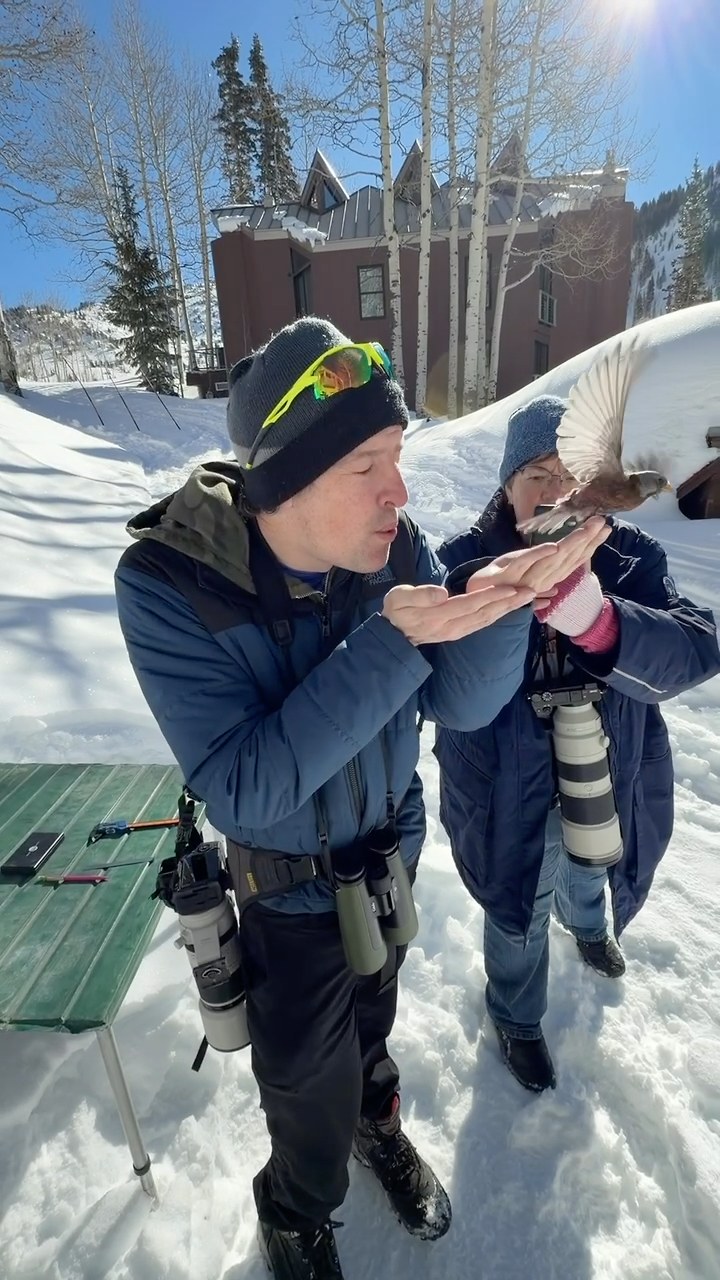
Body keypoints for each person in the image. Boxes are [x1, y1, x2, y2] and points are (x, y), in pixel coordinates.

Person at [114, 321, 609, 1280]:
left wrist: (505, 606)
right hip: (286, 896)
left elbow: (462, 705)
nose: (402, 491)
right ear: (288, 479)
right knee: (304, 1081)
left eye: (399, 456)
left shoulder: (395, 545)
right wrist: (389, 644)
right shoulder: (172, 584)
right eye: (369, 464)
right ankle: (296, 1207)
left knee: (373, 1027)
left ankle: (376, 1125)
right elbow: (246, 782)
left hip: (388, 859)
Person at [435, 395, 720, 1095]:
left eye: (574, 475)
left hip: (607, 768)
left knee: (593, 863)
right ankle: (516, 1016)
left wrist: (602, 623)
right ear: (506, 485)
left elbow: (699, 645)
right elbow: (441, 682)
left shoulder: (632, 560)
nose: (559, 493)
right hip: (508, 789)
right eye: (539, 472)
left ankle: (590, 927)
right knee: (519, 904)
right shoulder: (463, 564)